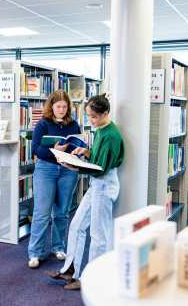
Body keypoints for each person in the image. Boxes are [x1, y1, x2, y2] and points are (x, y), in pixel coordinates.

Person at [48, 94, 124, 290]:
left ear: (105, 113)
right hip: (95, 185)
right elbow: (96, 156)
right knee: (76, 225)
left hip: (104, 185)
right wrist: (85, 152)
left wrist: (75, 167)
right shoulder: (99, 130)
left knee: (99, 236)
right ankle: (71, 269)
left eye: (94, 117)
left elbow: (101, 168)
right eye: (89, 116)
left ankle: (91, 279)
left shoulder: (112, 135)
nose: (91, 121)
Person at [27, 90, 81, 269]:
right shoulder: (43, 124)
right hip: (46, 169)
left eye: (65, 107)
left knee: (62, 212)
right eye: (58, 106)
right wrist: (55, 150)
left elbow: (78, 145)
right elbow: (35, 150)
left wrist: (73, 150)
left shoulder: (74, 125)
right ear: (51, 106)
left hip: (68, 170)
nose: (62, 110)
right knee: (42, 213)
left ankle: (58, 246)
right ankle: (36, 252)